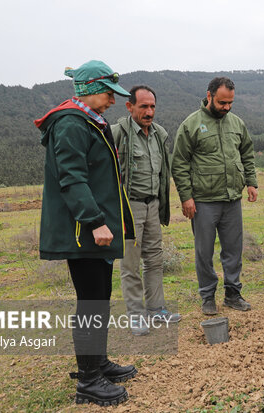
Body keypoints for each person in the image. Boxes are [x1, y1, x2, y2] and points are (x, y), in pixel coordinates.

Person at [35, 60, 137, 405]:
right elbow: (72, 178)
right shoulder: (70, 124)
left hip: (94, 230)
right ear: (91, 90)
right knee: (91, 301)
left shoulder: (89, 120)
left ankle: (98, 363)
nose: (112, 100)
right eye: (109, 93)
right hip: (84, 231)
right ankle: (89, 381)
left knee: (99, 298)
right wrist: (95, 221)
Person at [171, 77, 258, 315]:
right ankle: (208, 296)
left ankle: (233, 294)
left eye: (230, 103)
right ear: (209, 96)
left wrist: (251, 182)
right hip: (203, 201)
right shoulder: (192, 124)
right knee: (204, 252)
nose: (226, 107)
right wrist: (186, 197)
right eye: (222, 102)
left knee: (233, 250)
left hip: (232, 199)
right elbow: (179, 163)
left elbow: (247, 153)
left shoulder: (237, 124)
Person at [112, 85, 181, 336]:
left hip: (153, 204)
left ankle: (156, 309)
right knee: (130, 263)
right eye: (143, 106)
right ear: (129, 107)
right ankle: (136, 316)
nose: (149, 111)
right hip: (128, 206)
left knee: (154, 259)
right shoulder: (117, 133)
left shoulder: (159, 134)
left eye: (152, 106)